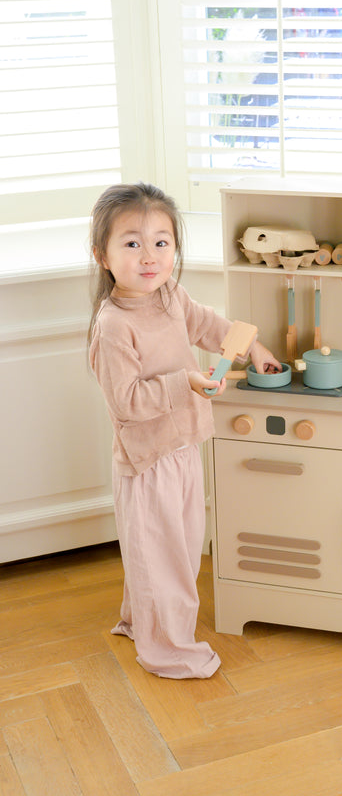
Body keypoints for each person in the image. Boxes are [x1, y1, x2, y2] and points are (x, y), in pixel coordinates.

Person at [88, 182, 281, 679]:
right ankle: (168, 647)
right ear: (102, 255)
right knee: (162, 556)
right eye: (131, 243)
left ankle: (141, 621)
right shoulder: (113, 327)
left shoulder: (170, 295)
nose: (148, 256)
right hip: (147, 459)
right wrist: (185, 382)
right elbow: (128, 403)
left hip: (183, 447)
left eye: (161, 242)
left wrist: (252, 345)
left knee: (174, 547)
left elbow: (207, 324)